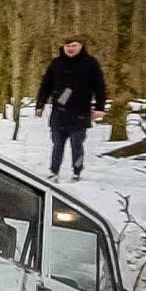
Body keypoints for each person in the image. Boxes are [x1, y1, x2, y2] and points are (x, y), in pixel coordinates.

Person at [35, 35, 107, 182]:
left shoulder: (90, 63)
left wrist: (100, 107)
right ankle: (54, 171)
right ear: (64, 47)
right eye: (68, 46)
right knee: (57, 145)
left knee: (77, 144)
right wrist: (40, 104)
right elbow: (46, 85)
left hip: (80, 112)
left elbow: (100, 86)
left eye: (74, 45)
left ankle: (77, 171)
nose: (71, 49)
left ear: (81, 46)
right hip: (59, 112)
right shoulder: (56, 63)